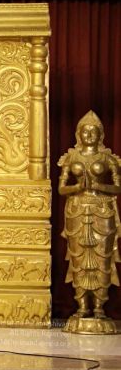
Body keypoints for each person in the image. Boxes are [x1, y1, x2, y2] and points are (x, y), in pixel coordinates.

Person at [58, 110, 120, 320]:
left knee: (103, 257)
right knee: (78, 258)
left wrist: (98, 186)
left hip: (102, 210)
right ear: (79, 134)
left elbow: (118, 188)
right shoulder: (71, 158)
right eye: (85, 131)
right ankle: (82, 306)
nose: (89, 135)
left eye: (94, 131)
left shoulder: (108, 158)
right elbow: (61, 189)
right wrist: (77, 187)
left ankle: (100, 307)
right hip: (77, 208)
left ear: (101, 134)